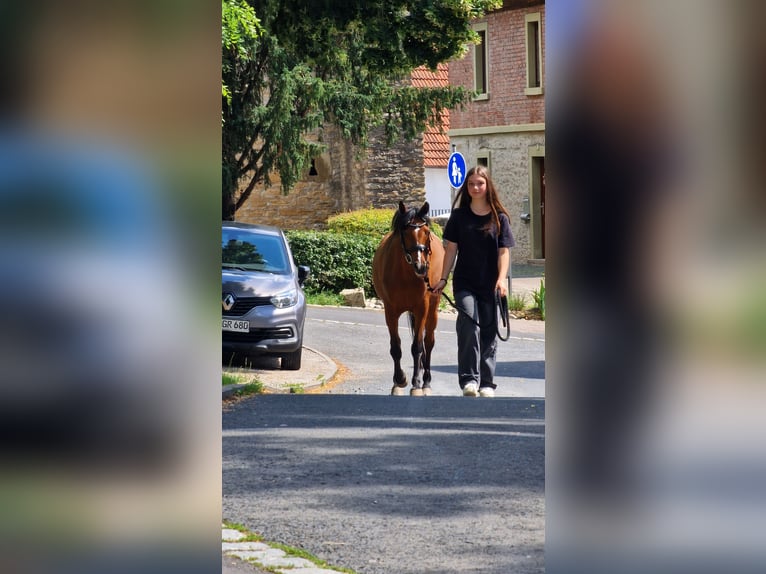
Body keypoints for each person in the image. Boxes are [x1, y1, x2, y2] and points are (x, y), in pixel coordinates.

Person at [433, 165, 514, 397]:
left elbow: (504, 252)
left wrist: (501, 280)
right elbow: (450, 250)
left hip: (491, 284)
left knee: (488, 330)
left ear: (488, 186)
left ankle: (487, 382)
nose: (475, 187)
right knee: (469, 325)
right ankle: (469, 380)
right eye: (471, 184)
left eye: (480, 183)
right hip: (465, 282)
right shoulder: (459, 217)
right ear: (466, 188)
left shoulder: (500, 218)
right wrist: (442, 278)